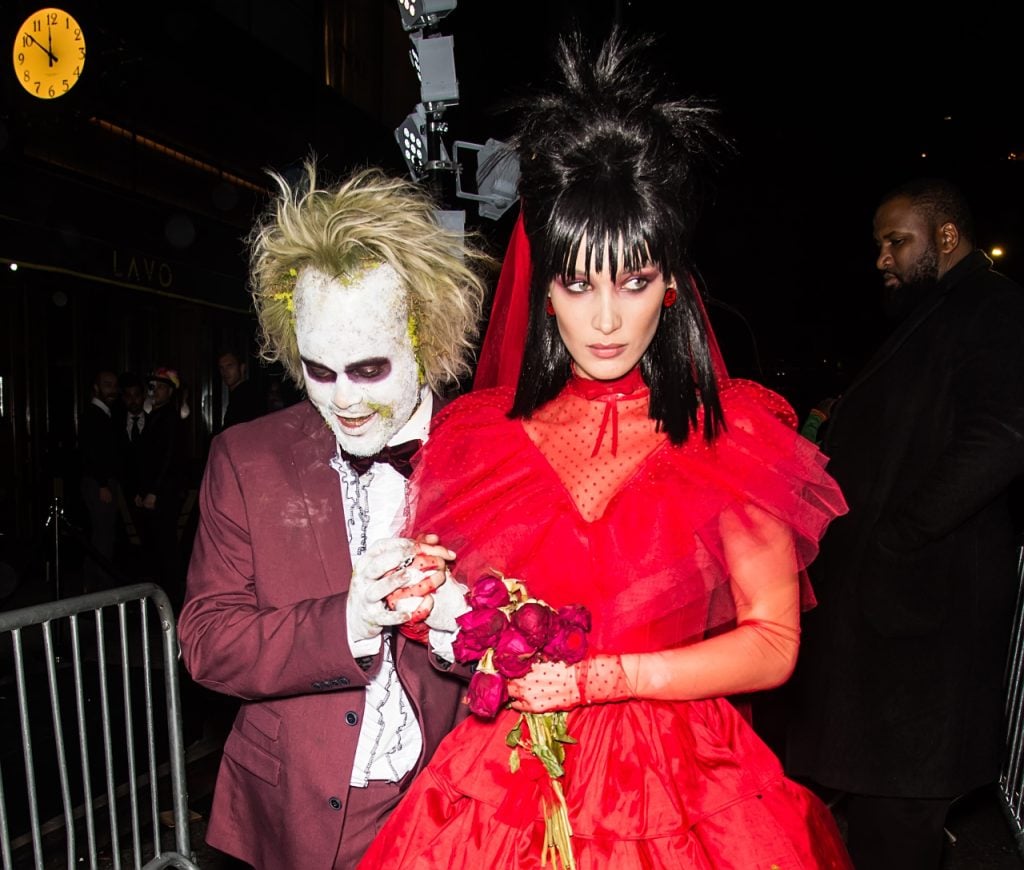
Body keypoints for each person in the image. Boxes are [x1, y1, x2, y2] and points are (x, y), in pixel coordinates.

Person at [358, 30, 852, 868]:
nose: (609, 320)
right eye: (579, 283)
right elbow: (476, 631)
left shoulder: (728, 436)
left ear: (670, 283)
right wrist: (431, 600)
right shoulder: (482, 442)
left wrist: (603, 680)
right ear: (545, 289)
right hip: (512, 781)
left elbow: (773, 643)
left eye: (633, 281)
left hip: (681, 781)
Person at [177, 163, 490, 869]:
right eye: (320, 371)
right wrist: (346, 621)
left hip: (442, 812)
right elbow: (207, 641)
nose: (343, 399)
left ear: (428, 341)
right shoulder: (244, 457)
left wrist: (462, 625)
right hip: (281, 819)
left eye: (370, 369)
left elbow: (543, 648)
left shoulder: (490, 458)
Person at [785, 178, 1024, 868]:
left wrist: (898, 536)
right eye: (879, 245)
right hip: (898, 613)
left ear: (945, 236)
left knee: (903, 810)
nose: (883, 258)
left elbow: (1004, 433)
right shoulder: (941, 312)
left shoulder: (994, 306)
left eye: (897, 241)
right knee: (879, 802)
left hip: (929, 609)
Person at [134, 366, 187, 606]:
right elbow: (144, 459)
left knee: (166, 549)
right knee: (154, 548)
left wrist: (154, 492)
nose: (156, 392)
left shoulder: (170, 418)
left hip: (164, 495)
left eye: (162, 387)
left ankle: (173, 602)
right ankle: (158, 601)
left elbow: (168, 458)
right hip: (151, 494)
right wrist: (140, 491)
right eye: (154, 387)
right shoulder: (153, 416)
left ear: (170, 391)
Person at [78, 368, 121, 592]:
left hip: (100, 482)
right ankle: (101, 586)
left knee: (101, 534)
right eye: (107, 385)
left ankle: (94, 584)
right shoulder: (93, 415)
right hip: (98, 483)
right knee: (103, 535)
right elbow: (91, 453)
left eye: (114, 385)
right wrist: (103, 484)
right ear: (96, 388)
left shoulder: (103, 414)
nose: (112, 389)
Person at [217, 349, 266, 430]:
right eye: (222, 368)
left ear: (242, 368)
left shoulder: (247, 396)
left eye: (230, 366)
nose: (225, 372)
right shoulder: (240, 394)